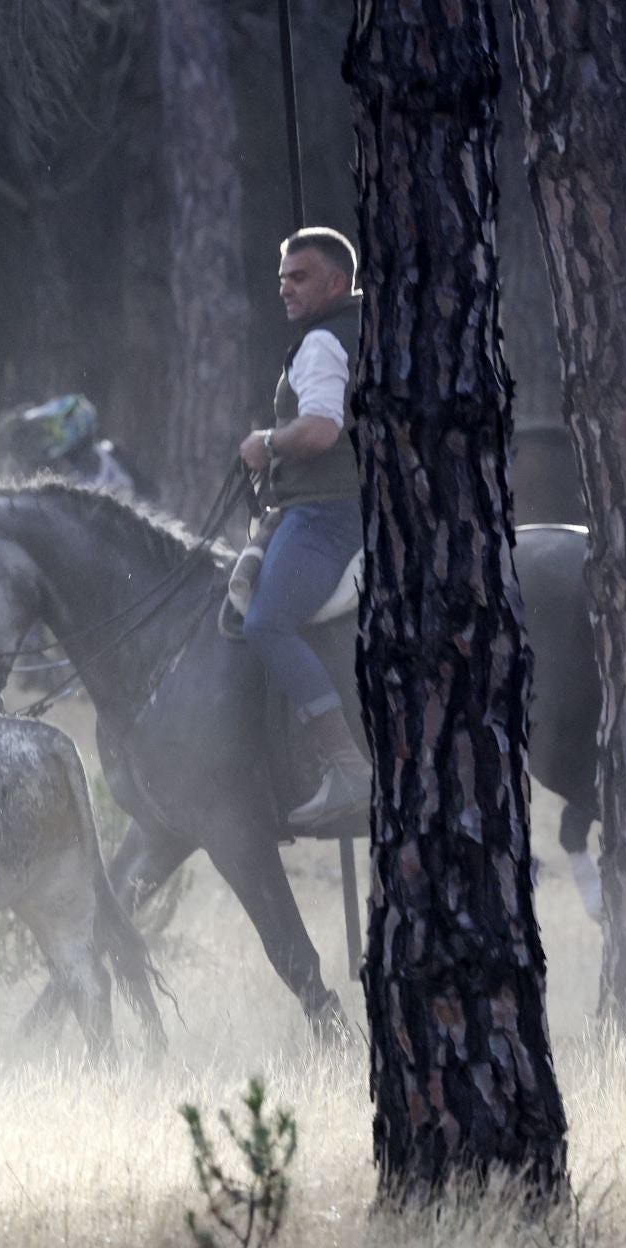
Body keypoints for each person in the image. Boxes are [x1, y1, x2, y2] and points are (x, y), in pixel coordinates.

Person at [236, 228, 369, 832]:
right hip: (350, 505)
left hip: (326, 512)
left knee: (265, 621)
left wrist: (265, 443)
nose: (285, 288)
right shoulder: (365, 327)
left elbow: (318, 430)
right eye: (283, 277)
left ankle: (346, 765)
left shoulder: (320, 342)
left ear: (336, 283)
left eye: (300, 277)